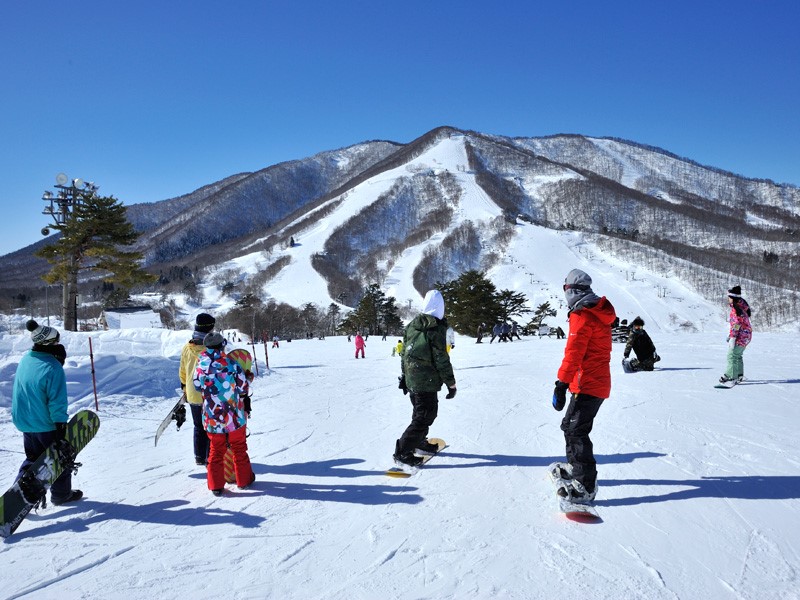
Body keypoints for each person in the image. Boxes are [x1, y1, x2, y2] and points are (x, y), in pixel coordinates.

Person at [551, 269, 616, 505]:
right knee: (569, 427)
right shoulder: (592, 311)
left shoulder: (583, 315)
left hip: (589, 383)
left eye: (565, 289)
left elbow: (574, 354)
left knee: (577, 431)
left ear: (572, 291)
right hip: (589, 382)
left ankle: (585, 486)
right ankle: (575, 468)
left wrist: (561, 384)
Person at [12, 320, 82, 505]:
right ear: (50, 343)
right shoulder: (52, 367)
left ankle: (17, 494)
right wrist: (60, 426)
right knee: (59, 458)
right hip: (45, 423)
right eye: (57, 341)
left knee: (33, 458)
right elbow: (57, 401)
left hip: (26, 421)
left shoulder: (27, 359)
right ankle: (61, 495)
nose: (60, 343)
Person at [394, 290, 457, 467]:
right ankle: (403, 452)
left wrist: (404, 376)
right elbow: (441, 359)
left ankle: (419, 443)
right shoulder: (437, 329)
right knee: (425, 416)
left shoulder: (412, 325)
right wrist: (451, 384)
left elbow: (404, 354)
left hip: (413, 379)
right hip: (426, 381)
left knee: (419, 413)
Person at [193, 332, 255, 496]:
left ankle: (216, 485)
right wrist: (248, 378)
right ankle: (244, 481)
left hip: (212, 418)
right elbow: (243, 388)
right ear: (222, 346)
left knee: (216, 451)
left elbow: (197, 386)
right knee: (239, 448)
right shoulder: (232, 364)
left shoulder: (200, 366)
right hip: (233, 417)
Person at [179, 313, 215, 466]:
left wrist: (184, 386)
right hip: (209, 394)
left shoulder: (187, 347)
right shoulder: (211, 349)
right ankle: (210, 457)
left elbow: (182, 371)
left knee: (198, 426)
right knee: (211, 427)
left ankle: (199, 457)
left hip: (193, 394)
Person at [720, 285, 752, 384]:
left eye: (729, 297)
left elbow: (736, 325)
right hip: (746, 336)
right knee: (737, 355)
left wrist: (733, 337)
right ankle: (739, 375)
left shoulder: (736, 310)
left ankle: (731, 376)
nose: (728, 299)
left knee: (732, 355)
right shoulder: (741, 306)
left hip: (740, 336)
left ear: (732, 298)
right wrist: (731, 336)